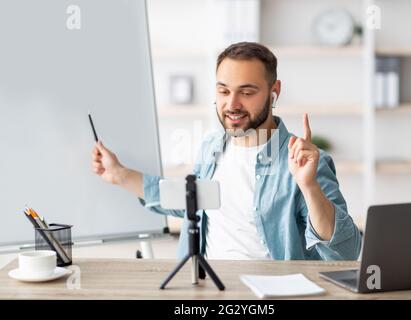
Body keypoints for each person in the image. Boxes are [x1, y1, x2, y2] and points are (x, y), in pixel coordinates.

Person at [91, 42, 361, 261]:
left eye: (247, 92)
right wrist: (120, 174)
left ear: (274, 91)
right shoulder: (212, 147)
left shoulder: (304, 162)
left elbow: (346, 252)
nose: (232, 104)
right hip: (207, 288)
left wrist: (309, 186)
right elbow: (188, 201)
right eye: (223, 91)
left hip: (271, 293)